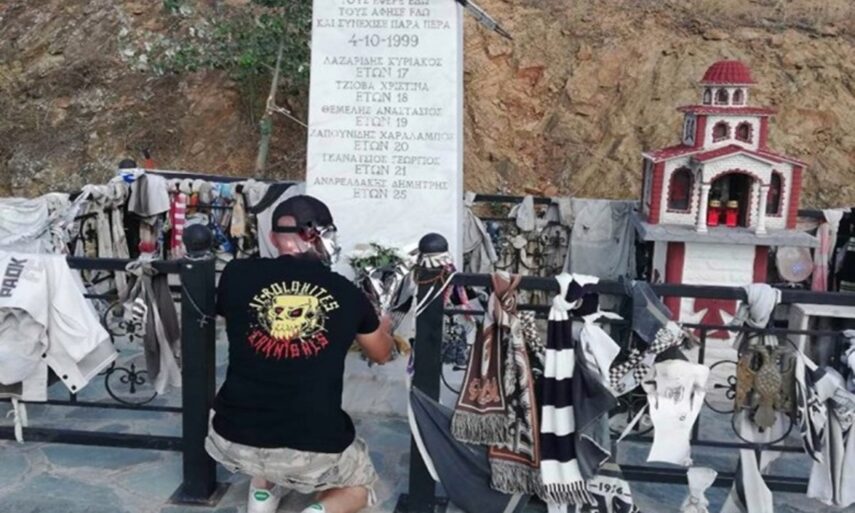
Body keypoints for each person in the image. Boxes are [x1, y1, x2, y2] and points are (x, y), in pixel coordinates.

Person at [205, 195, 395, 513]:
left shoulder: (236, 274)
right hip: (313, 445)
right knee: (359, 488)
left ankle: (262, 496)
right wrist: (382, 324)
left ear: (272, 238)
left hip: (232, 434)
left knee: (269, 427)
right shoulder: (347, 293)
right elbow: (381, 353)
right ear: (324, 238)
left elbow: (234, 316)